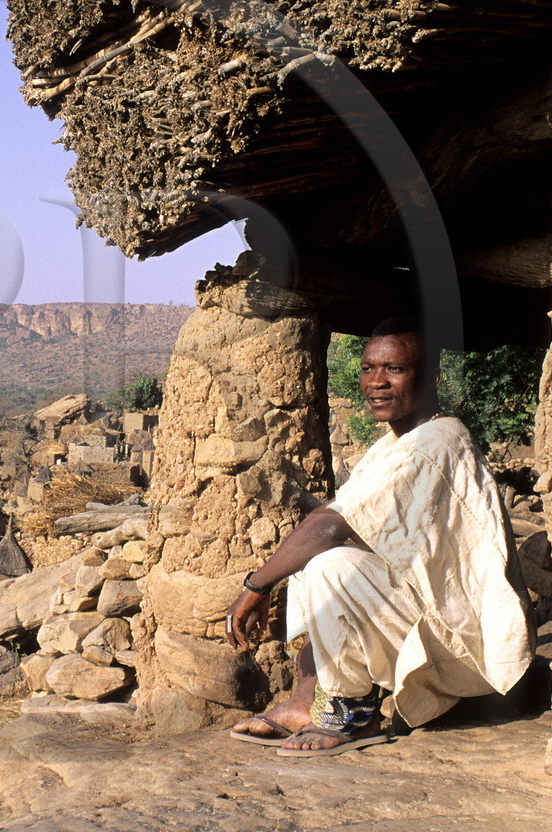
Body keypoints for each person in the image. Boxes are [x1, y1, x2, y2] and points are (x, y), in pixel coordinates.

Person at [225, 318, 533, 756]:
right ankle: (306, 699)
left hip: (466, 644)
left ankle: (353, 715)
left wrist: (256, 587)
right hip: (427, 622)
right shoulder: (395, 443)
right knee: (325, 564)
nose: (376, 382)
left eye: (395, 369)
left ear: (432, 377)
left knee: (329, 563)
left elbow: (330, 525)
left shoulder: (435, 442)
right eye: (369, 368)